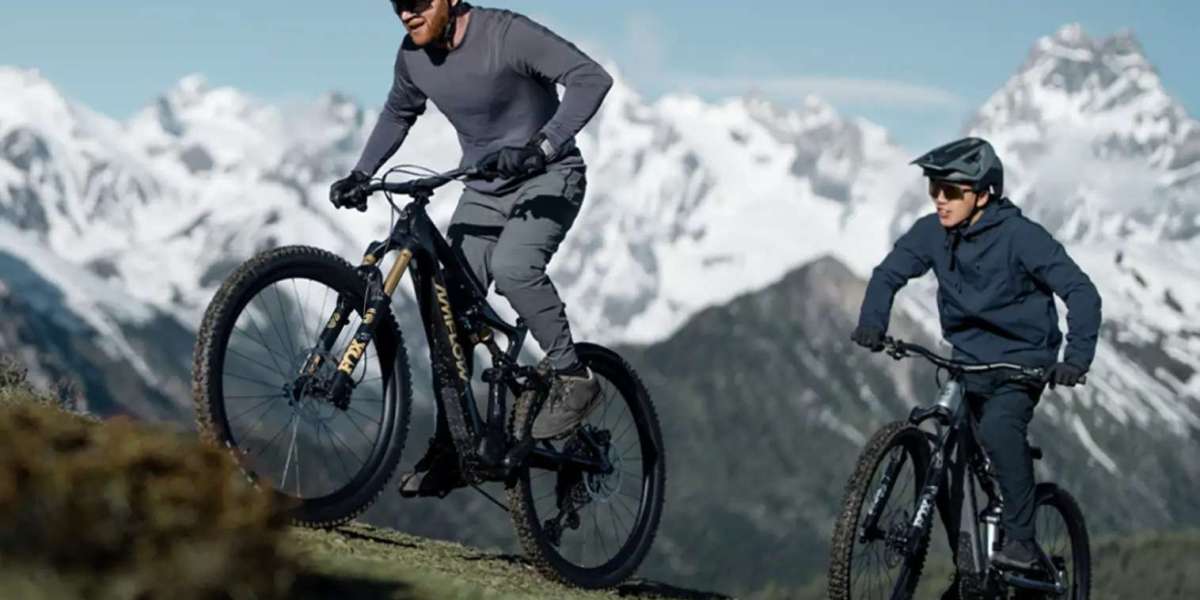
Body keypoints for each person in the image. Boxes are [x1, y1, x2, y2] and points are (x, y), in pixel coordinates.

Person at [329, 0, 614, 497]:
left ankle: (575, 378)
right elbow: (399, 112)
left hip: (549, 176)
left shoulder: (507, 34)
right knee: (447, 315)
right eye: (397, 5)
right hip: (482, 190)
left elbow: (591, 79)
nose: (406, 14)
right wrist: (362, 174)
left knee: (513, 268)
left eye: (417, 3)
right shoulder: (412, 57)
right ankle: (455, 445)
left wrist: (541, 146)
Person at [851, 137, 1102, 592]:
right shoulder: (932, 233)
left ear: (983, 193)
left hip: (1021, 365)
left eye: (951, 191)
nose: (939, 200)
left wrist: (1075, 360)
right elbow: (888, 274)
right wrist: (872, 322)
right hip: (967, 363)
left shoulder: (1021, 237)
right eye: (934, 189)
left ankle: (1023, 541)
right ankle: (971, 569)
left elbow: (1082, 293)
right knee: (943, 447)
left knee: (1002, 430)